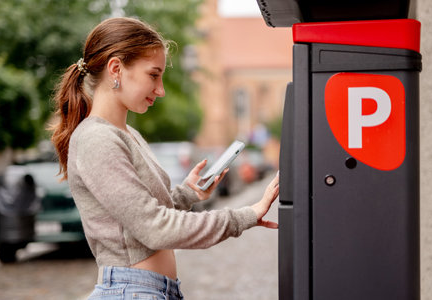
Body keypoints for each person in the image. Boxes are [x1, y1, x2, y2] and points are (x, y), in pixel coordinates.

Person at [50, 17, 279, 300]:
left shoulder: (124, 133)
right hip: (131, 291)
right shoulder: (97, 139)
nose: (161, 90)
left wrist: (187, 194)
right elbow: (154, 228)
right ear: (116, 68)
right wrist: (246, 215)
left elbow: (136, 213)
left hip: (149, 290)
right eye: (153, 75)